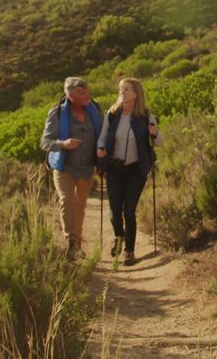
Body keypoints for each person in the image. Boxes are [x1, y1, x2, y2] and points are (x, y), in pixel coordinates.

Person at [96, 78, 162, 266]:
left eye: (126, 89)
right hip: (115, 168)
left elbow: (159, 142)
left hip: (135, 169)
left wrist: (155, 133)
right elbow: (103, 137)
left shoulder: (146, 115)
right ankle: (119, 236)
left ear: (136, 93)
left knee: (129, 210)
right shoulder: (112, 113)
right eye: (121, 89)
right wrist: (100, 148)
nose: (122, 93)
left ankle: (129, 251)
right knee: (114, 211)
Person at [40, 77, 103, 260]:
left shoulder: (95, 110)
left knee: (80, 206)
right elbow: (45, 142)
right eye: (83, 94)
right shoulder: (57, 113)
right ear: (71, 95)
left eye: (87, 92)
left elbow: (104, 133)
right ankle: (71, 243)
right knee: (67, 201)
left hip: (86, 168)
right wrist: (63, 143)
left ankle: (77, 240)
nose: (88, 96)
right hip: (64, 167)